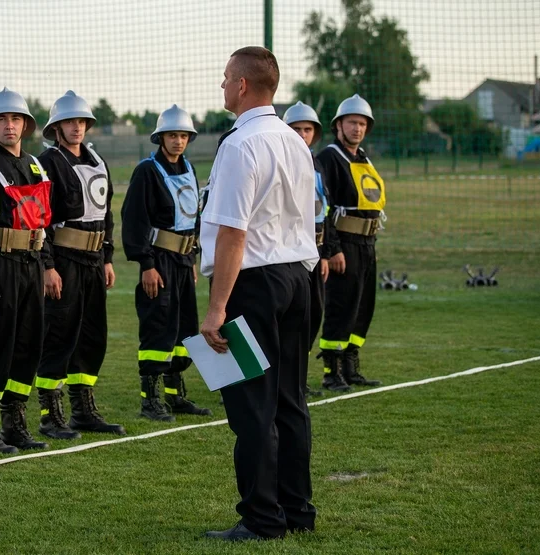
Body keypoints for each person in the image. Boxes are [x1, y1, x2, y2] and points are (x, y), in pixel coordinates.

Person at [200, 46, 319, 541]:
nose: (223, 86)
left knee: (253, 408)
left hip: (254, 285)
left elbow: (233, 232)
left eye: (227, 78)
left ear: (244, 85)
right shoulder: (296, 142)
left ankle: (262, 519)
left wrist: (216, 307)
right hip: (298, 279)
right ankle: (296, 511)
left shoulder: (240, 144)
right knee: (290, 401)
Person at [35, 91, 125, 438]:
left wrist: (107, 258)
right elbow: (40, 219)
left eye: (81, 121)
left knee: (91, 336)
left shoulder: (97, 161)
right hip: (64, 261)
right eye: (69, 122)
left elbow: (106, 215)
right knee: (58, 335)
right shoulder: (47, 162)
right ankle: (50, 413)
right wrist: (48, 266)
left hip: (93, 261)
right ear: (56, 127)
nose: (77, 127)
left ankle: (83, 410)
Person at [0, 88, 51, 453]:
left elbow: (42, 221)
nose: (9, 126)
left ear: (26, 125)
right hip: (0, 264)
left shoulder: (34, 165)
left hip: (32, 264)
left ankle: (14, 422)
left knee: (27, 344)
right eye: (1, 119)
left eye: (16, 119)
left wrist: (47, 265)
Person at [121, 105, 211, 422]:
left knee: (185, 330)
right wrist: (147, 264)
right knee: (158, 328)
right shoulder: (147, 171)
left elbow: (193, 218)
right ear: (160, 137)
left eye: (183, 135)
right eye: (172, 135)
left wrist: (193, 259)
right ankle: (151, 400)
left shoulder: (188, 167)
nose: (178, 141)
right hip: (159, 261)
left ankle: (175, 395)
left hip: (184, 262)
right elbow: (134, 219)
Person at [316, 94, 385, 391]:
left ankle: (350, 363)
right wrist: (333, 250)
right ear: (338, 126)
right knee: (341, 305)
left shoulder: (363, 158)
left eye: (362, 124)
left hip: (368, 243)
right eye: (351, 123)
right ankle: (332, 371)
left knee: (362, 307)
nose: (357, 129)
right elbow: (324, 206)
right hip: (344, 243)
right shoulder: (330, 158)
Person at [283, 101, 334, 396]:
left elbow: (324, 210)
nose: (302, 134)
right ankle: (285, 383)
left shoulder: (317, 164)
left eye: (307, 129)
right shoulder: (282, 161)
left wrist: (325, 252)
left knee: (312, 316)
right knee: (291, 319)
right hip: (291, 255)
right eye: (296, 129)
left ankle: (297, 381)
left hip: (315, 252)